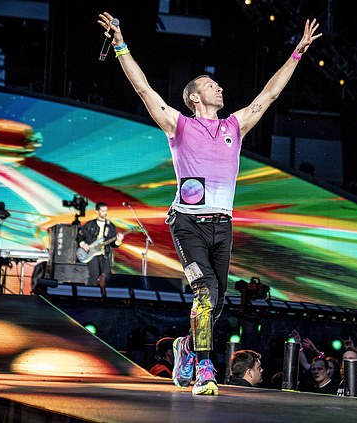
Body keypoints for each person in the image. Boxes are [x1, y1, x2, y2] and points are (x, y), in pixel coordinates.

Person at [97, 10, 321, 396]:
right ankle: (203, 367)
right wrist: (120, 43)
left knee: (216, 304)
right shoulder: (178, 125)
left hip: (223, 225)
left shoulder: (235, 125)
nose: (220, 88)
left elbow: (270, 94)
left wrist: (297, 53)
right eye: (211, 85)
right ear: (194, 97)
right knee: (204, 294)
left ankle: (185, 346)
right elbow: (144, 89)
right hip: (188, 223)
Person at [76, 202, 124, 287]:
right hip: (92, 253)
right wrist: (84, 245)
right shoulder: (90, 224)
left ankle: (105, 296)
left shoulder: (111, 226)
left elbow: (113, 244)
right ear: (97, 211)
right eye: (102, 211)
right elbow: (79, 237)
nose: (104, 213)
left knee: (106, 277)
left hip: (104, 254)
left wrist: (119, 240)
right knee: (94, 275)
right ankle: (90, 294)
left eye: (106, 211)